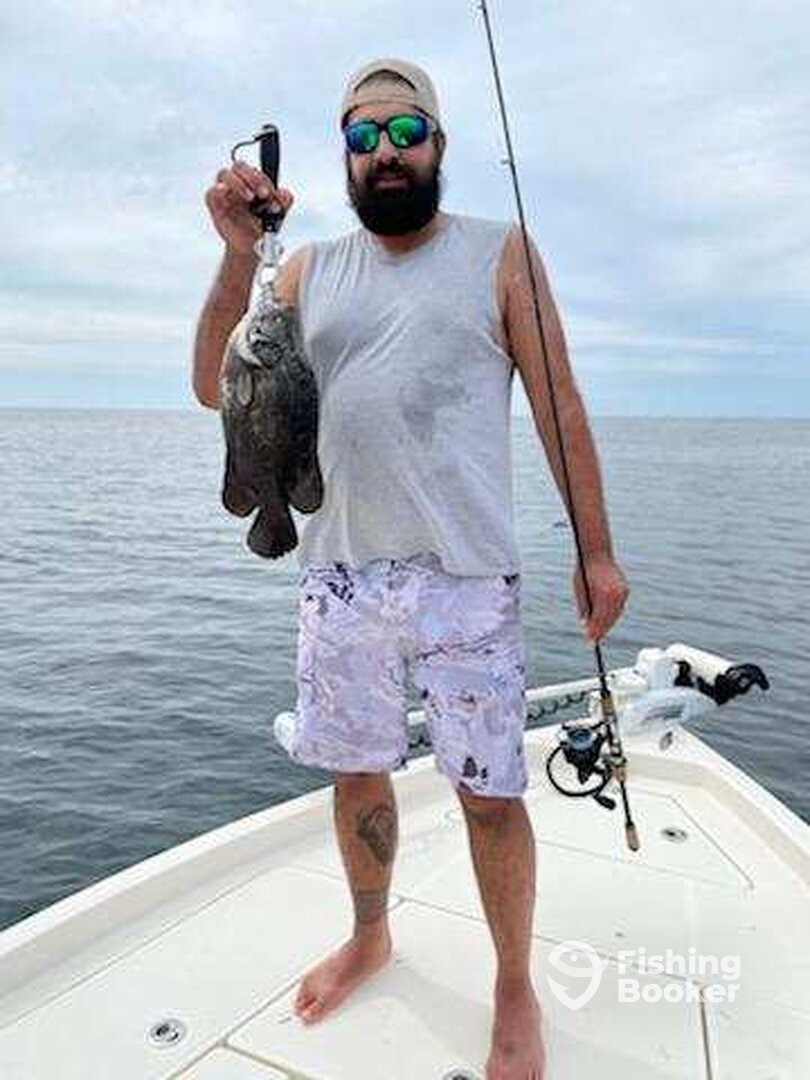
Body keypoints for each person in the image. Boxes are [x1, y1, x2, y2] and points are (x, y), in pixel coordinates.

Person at [193, 57, 629, 1080]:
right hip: (339, 574)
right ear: (345, 155)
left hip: (467, 577)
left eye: (404, 133)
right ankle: (372, 934)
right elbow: (215, 386)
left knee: (489, 792)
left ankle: (513, 982)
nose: (384, 153)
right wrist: (235, 255)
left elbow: (560, 404)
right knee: (358, 776)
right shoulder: (304, 272)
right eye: (363, 138)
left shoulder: (500, 252)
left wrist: (596, 548)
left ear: (438, 143)